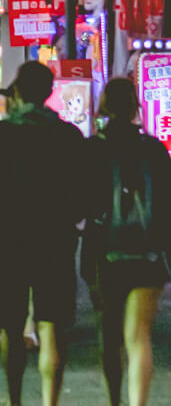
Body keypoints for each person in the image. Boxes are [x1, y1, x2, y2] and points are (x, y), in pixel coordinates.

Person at [0, 60, 85, 406]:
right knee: (53, 327)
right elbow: (81, 197)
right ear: (49, 93)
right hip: (56, 241)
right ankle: (51, 400)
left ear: (17, 93)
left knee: (11, 327)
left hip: (10, 242)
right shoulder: (69, 136)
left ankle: (16, 398)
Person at [82, 78, 171, 406]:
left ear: (104, 105)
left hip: (104, 253)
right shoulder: (155, 149)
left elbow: (82, 204)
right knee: (140, 336)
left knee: (109, 335)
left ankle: (115, 400)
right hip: (149, 253)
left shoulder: (93, 148)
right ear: (136, 106)